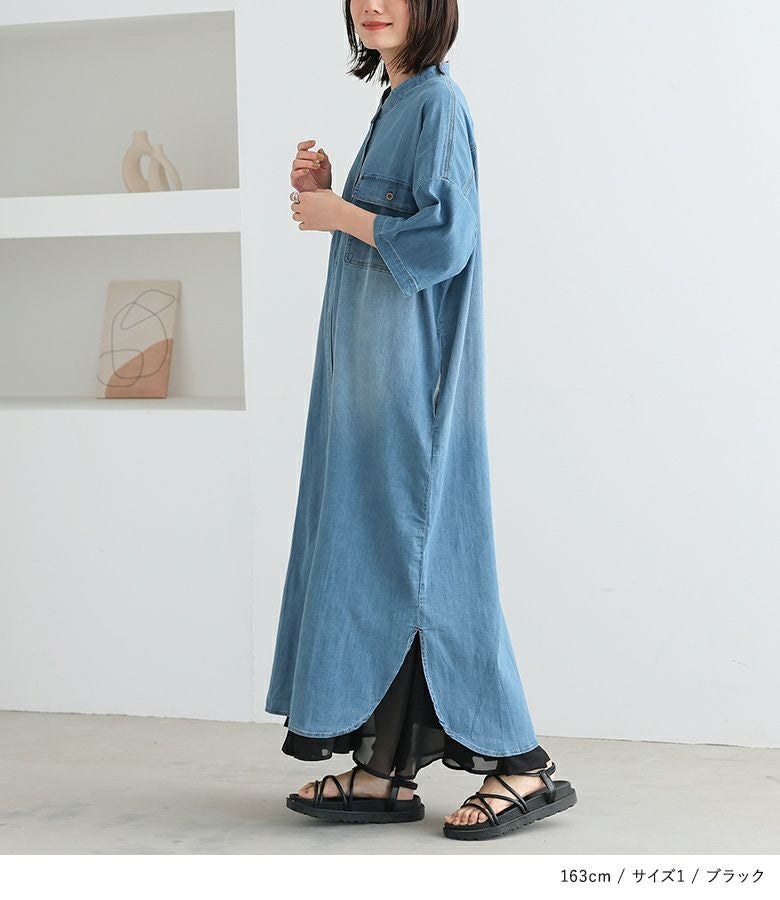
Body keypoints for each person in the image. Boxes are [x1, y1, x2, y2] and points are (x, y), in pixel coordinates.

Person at [265, 0, 577, 841]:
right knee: (378, 558)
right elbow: (394, 233)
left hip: (411, 390)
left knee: (428, 564)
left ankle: (521, 763)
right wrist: (330, 193)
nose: (373, 4)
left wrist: (339, 214)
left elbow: (445, 239)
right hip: (368, 388)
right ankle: (384, 771)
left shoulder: (437, 103)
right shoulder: (399, 101)